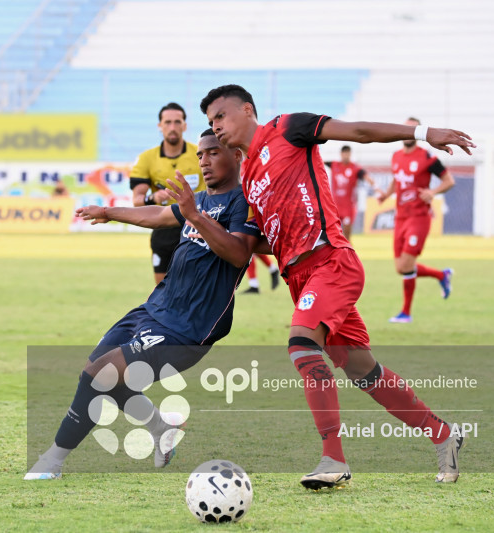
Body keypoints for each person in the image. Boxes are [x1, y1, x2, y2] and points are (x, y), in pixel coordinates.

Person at [199, 84, 475, 488]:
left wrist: (421, 134)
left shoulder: (288, 128)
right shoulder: (249, 177)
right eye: (210, 122)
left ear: (247, 109)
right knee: (364, 370)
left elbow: (358, 131)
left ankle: (333, 459)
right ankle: (443, 434)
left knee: (301, 345)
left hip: (332, 262)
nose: (216, 127)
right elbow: (258, 243)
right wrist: (204, 226)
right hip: (302, 278)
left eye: (220, 116)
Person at [25, 129, 261, 479]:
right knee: (96, 372)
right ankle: (161, 429)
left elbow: (240, 252)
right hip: (156, 307)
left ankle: (52, 461)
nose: (204, 161)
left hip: (189, 325)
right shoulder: (200, 201)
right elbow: (159, 216)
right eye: (201, 156)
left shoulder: (243, 201)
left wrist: (194, 216)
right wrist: (109, 212)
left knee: (98, 374)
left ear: (237, 156)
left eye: (213, 152)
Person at [377, 117, 456, 324]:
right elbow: (397, 178)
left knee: (406, 265)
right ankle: (441, 275)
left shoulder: (427, 158)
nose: (408, 133)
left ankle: (406, 313)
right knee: (401, 268)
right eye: (406, 129)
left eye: (412, 129)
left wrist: (433, 191)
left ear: (418, 134)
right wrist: (386, 195)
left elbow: (449, 181)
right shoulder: (395, 156)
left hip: (418, 218)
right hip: (400, 217)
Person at [130, 103, 206, 285]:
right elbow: (137, 201)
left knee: (195, 289)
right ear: (160, 126)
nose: (173, 128)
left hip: (195, 228)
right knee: (163, 292)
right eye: (168, 122)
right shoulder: (147, 158)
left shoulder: (201, 153)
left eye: (177, 122)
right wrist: (152, 198)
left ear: (185, 126)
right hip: (163, 228)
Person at [325, 145, 378, 238]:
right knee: (332, 236)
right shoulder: (334, 165)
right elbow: (318, 161)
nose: (346, 156)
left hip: (348, 208)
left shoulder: (355, 168)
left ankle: (349, 252)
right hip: (335, 207)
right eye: (344, 153)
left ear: (350, 154)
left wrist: (376, 188)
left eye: (348, 154)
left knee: (346, 237)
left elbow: (367, 177)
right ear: (341, 154)